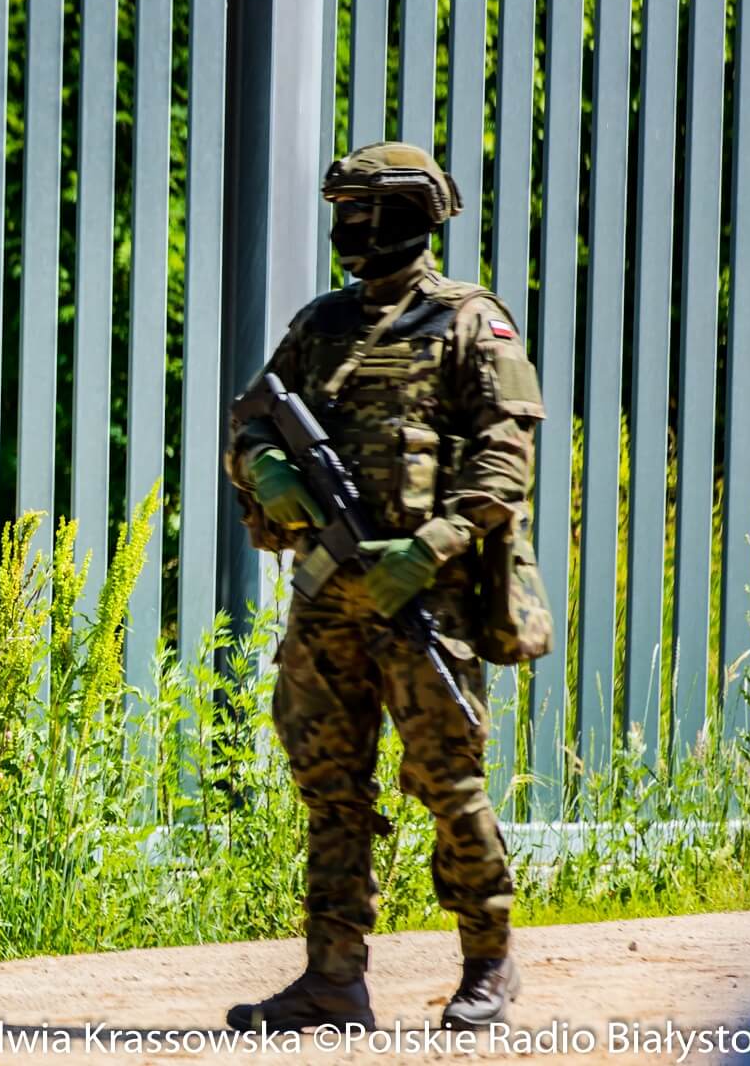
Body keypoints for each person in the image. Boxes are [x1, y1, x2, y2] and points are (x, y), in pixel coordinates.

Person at [224, 143, 546, 1032]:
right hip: (329, 598)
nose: (347, 229)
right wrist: (266, 469)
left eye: (359, 212)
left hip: (425, 600)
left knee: (449, 783)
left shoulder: (470, 321)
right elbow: (252, 419)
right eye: (341, 212)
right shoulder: (323, 323)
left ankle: (489, 961)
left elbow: (505, 457)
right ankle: (332, 980)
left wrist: (433, 544)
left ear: (403, 214)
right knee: (330, 789)